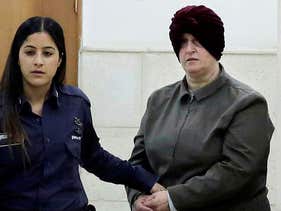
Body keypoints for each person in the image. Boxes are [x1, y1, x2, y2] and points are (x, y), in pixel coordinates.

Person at [0, 16, 164, 211]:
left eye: (47, 53)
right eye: (29, 52)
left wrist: (148, 183)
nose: (38, 61)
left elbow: (96, 158)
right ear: (17, 58)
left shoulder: (76, 104)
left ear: (60, 59)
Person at [126, 5, 274, 211]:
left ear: (214, 46)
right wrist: (138, 197)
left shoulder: (247, 104)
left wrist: (172, 199)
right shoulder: (158, 101)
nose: (189, 49)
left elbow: (237, 171)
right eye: (183, 42)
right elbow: (138, 161)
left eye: (198, 41)